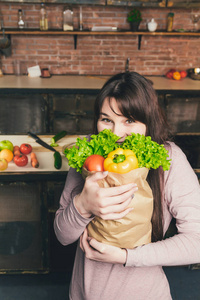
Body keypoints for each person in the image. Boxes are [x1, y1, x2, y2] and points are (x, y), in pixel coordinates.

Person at [54, 72, 200, 300]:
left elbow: (197, 242)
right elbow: (63, 235)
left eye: (129, 120)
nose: (116, 133)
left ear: (148, 121)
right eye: (106, 120)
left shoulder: (169, 158)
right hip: (83, 292)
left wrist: (126, 257)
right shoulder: (89, 154)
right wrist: (83, 205)